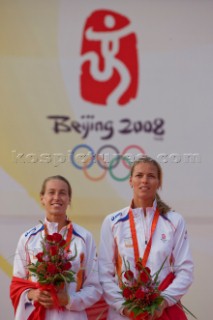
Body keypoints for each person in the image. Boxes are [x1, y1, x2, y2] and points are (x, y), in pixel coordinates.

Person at [98, 156, 194, 320]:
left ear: (158, 182)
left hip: (160, 312)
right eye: (139, 175)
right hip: (123, 314)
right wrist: (124, 307)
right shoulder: (113, 222)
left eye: (151, 176)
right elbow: (104, 273)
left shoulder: (174, 221)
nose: (145, 180)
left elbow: (185, 270)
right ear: (130, 181)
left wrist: (163, 302)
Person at [10, 175, 102, 320]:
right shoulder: (28, 238)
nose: (57, 197)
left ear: (69, 199)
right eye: (51, 192)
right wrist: (32, 294)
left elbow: (95, 288)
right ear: (42, 198)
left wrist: (68, 300)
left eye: (62, 193)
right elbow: (17, 285)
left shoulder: (85, 238)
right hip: (37, 315)